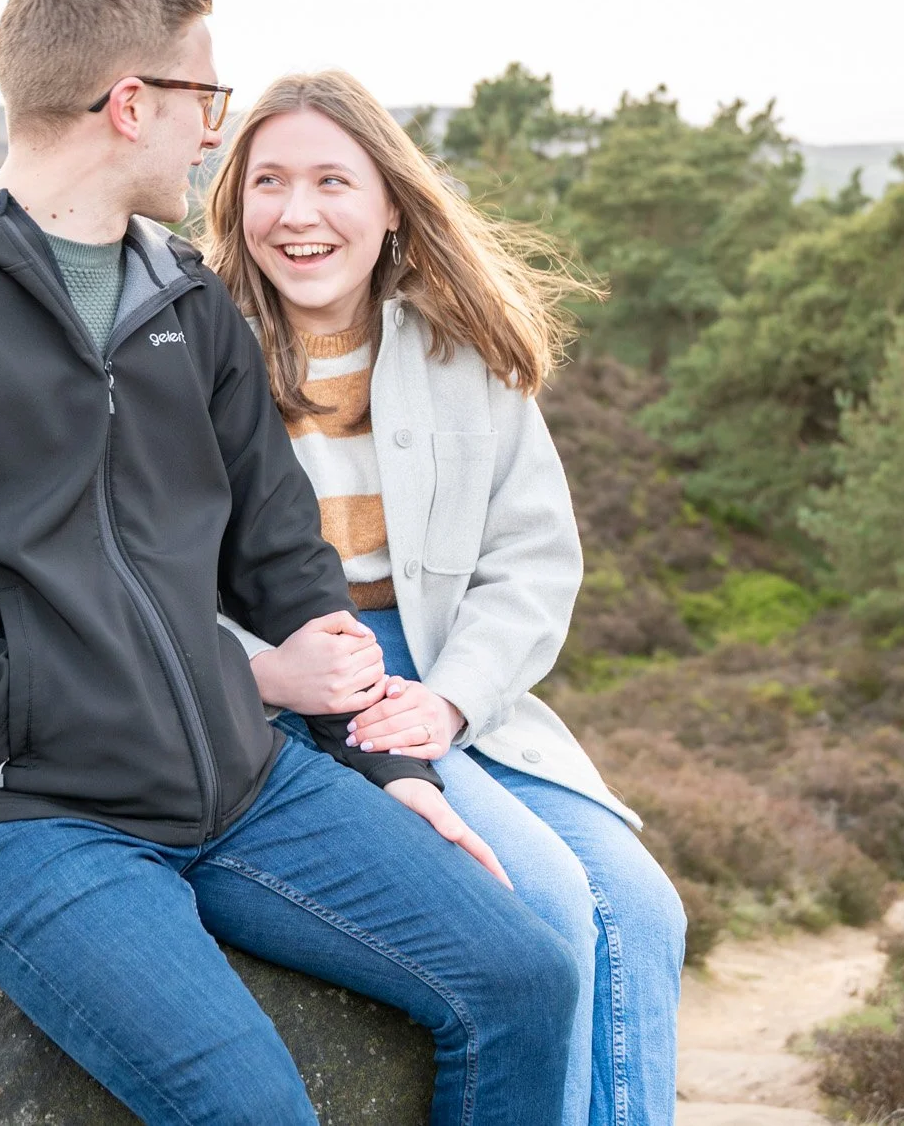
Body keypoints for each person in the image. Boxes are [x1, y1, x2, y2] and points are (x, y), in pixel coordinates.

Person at [0, 0, 577, 1126]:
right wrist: (8, 698)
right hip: (21, 816)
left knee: (523, 976)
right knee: (252, 1108)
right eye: (202, 100)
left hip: (242, 785)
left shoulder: (186, 297)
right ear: (130, 105)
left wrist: (385, 762)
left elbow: (278, 556)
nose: (212, 135)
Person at [202, 70, 689, 1126]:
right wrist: (282, 676)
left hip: (459, 680)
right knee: (545, 902)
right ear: (234, 202)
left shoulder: (457, 347)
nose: (297, 213)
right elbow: (158, 566)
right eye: (269, 180)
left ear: (388, 202)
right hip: (306, 695)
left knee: (639, 906)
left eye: (333, 179)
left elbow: (531, 561)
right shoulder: (190, 348)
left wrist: (455, 697)